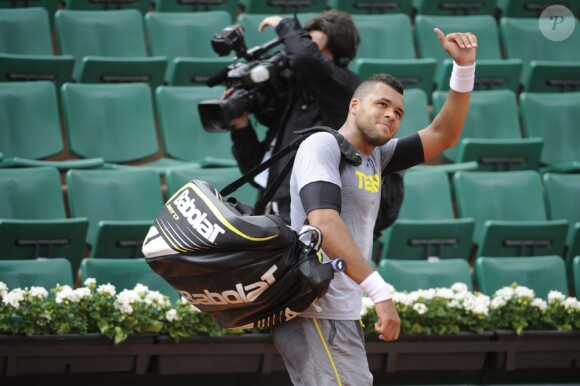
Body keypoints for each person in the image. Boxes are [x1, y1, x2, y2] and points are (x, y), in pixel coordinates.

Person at [271, 28, 478, 385]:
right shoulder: (322, 144)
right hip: (315, 309)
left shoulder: (377, 157)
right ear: (354, 105)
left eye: (398, 111)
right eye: (381, 104)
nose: (391, 115)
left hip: (340, 311)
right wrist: (380, 292)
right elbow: (322, 220)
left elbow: (444, 135)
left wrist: (464, 68)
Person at [226, 9, 361, 224]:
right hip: (272, 212)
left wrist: (285, 24)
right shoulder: (296, 93)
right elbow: (257, 170)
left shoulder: (346, 86)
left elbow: (303, 57)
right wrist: (241, 126)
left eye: (310, 41)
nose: (300, 45)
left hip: (311, 216)